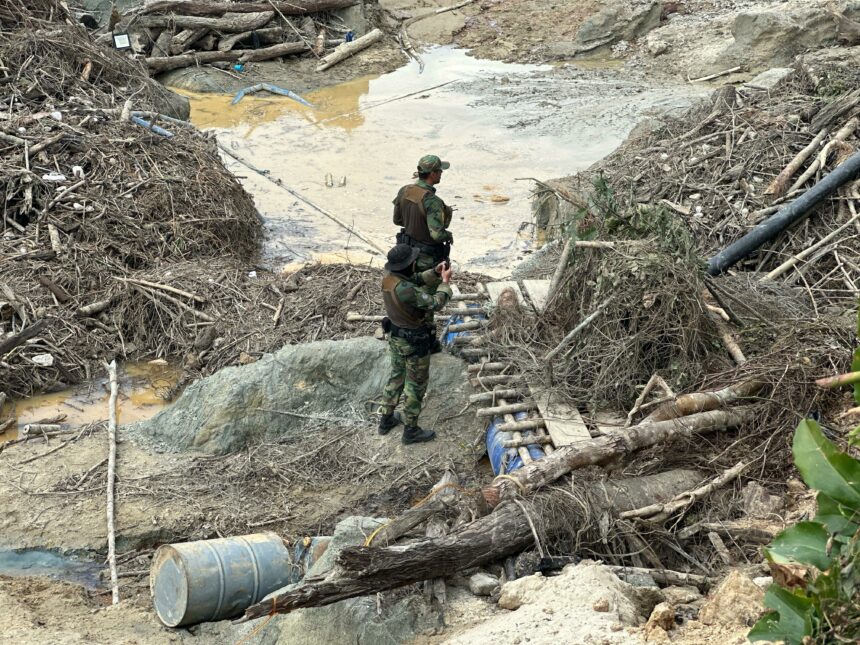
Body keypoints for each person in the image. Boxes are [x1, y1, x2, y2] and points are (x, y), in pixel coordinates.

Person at [377, 243, 453, 444]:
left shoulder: (388, 279)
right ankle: (411, 430)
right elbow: (436, 302)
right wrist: (444, 283)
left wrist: (433, 273)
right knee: (415, 386)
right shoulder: (406, 290)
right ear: (409, 264)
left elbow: (414, 279)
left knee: (396, 377)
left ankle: (386, 419)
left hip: (396, 337)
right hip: (413, 342)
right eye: (413, 261)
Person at [392, 154, 454, 272]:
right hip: (427, 260)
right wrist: (449, 235)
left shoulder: (404, 190)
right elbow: (437, 235)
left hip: (406, 253)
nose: (441, 173)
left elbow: (397, 220)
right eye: (440, 170)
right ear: (433, 174)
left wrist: (414, 223)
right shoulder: (433, 201)